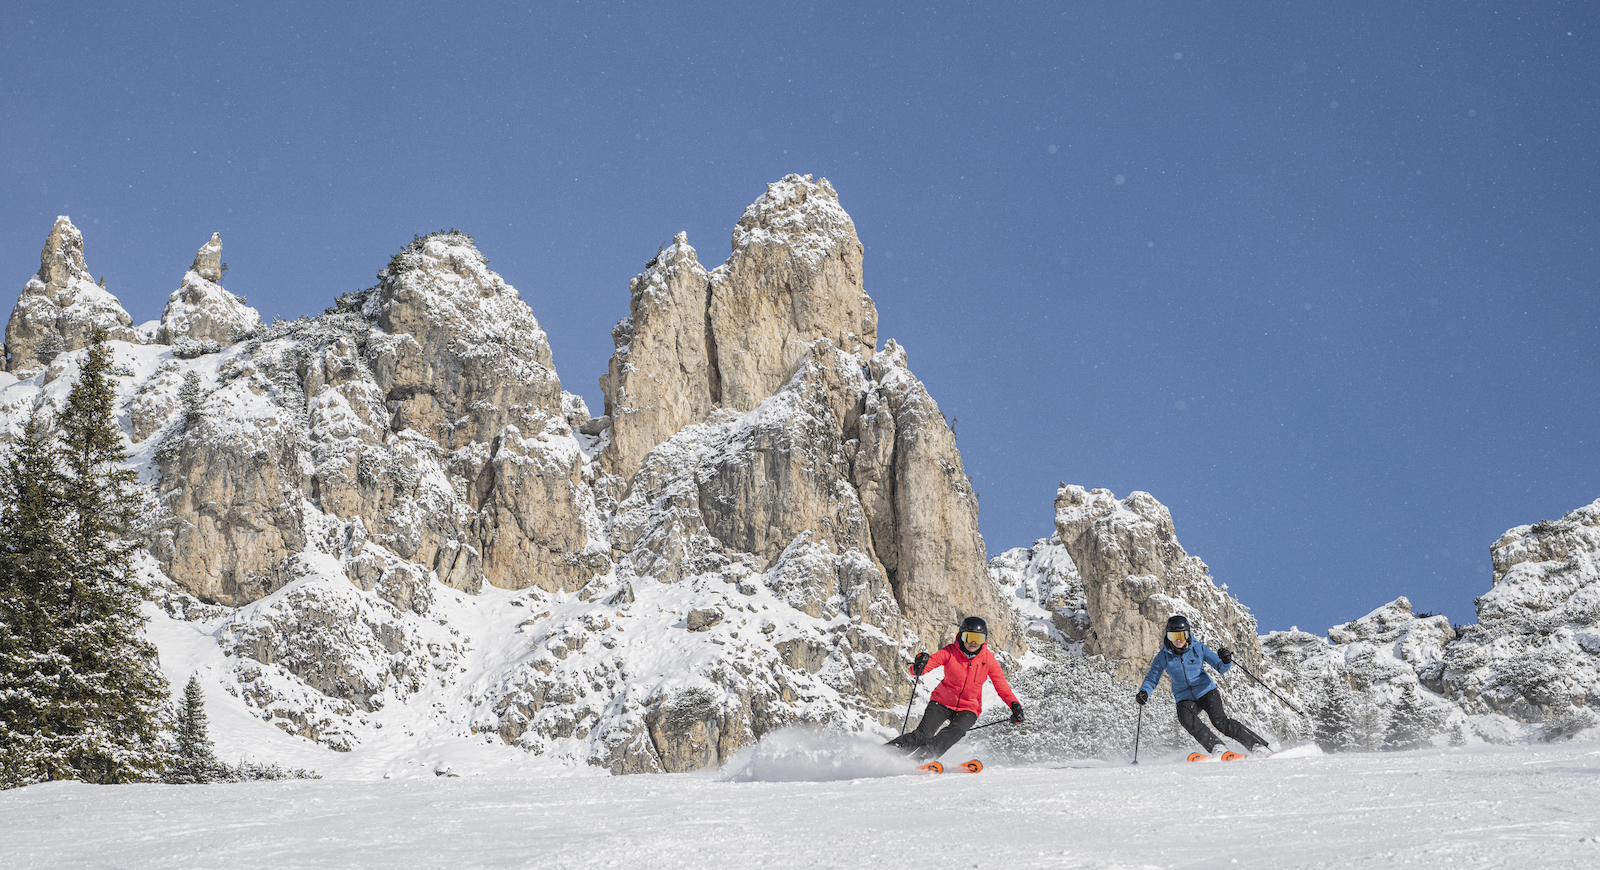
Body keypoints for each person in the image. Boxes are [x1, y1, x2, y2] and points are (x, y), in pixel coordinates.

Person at [888, 616, 1024, 761]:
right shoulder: (950, 652)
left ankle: (923, 758)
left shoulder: (988, 660)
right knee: (923, 734)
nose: (973, 642)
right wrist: (918, 667)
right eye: (969, 637)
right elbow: (927, 665)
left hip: (969, 708)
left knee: (957, 730)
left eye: (978, 638)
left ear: (984, 640)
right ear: (961, 635)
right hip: (941, 702)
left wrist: (1015, 705)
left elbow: (1002, 686)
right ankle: (886, 752)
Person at [1135, 614, 1269, 757]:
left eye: (1182, 635)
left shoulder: (1198, 648)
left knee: (1220, 722)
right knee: (1186, 718)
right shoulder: (1163, 656)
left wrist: (1226, 660)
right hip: (1184, 696)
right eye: (1174, 636)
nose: (1179, 640)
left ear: (1188, 634)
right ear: (1168, 637)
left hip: (1206, 691)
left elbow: (1220, 667)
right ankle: (1216, 747)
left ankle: (1257, 745)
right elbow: (1152, 678)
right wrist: (1144, 692)